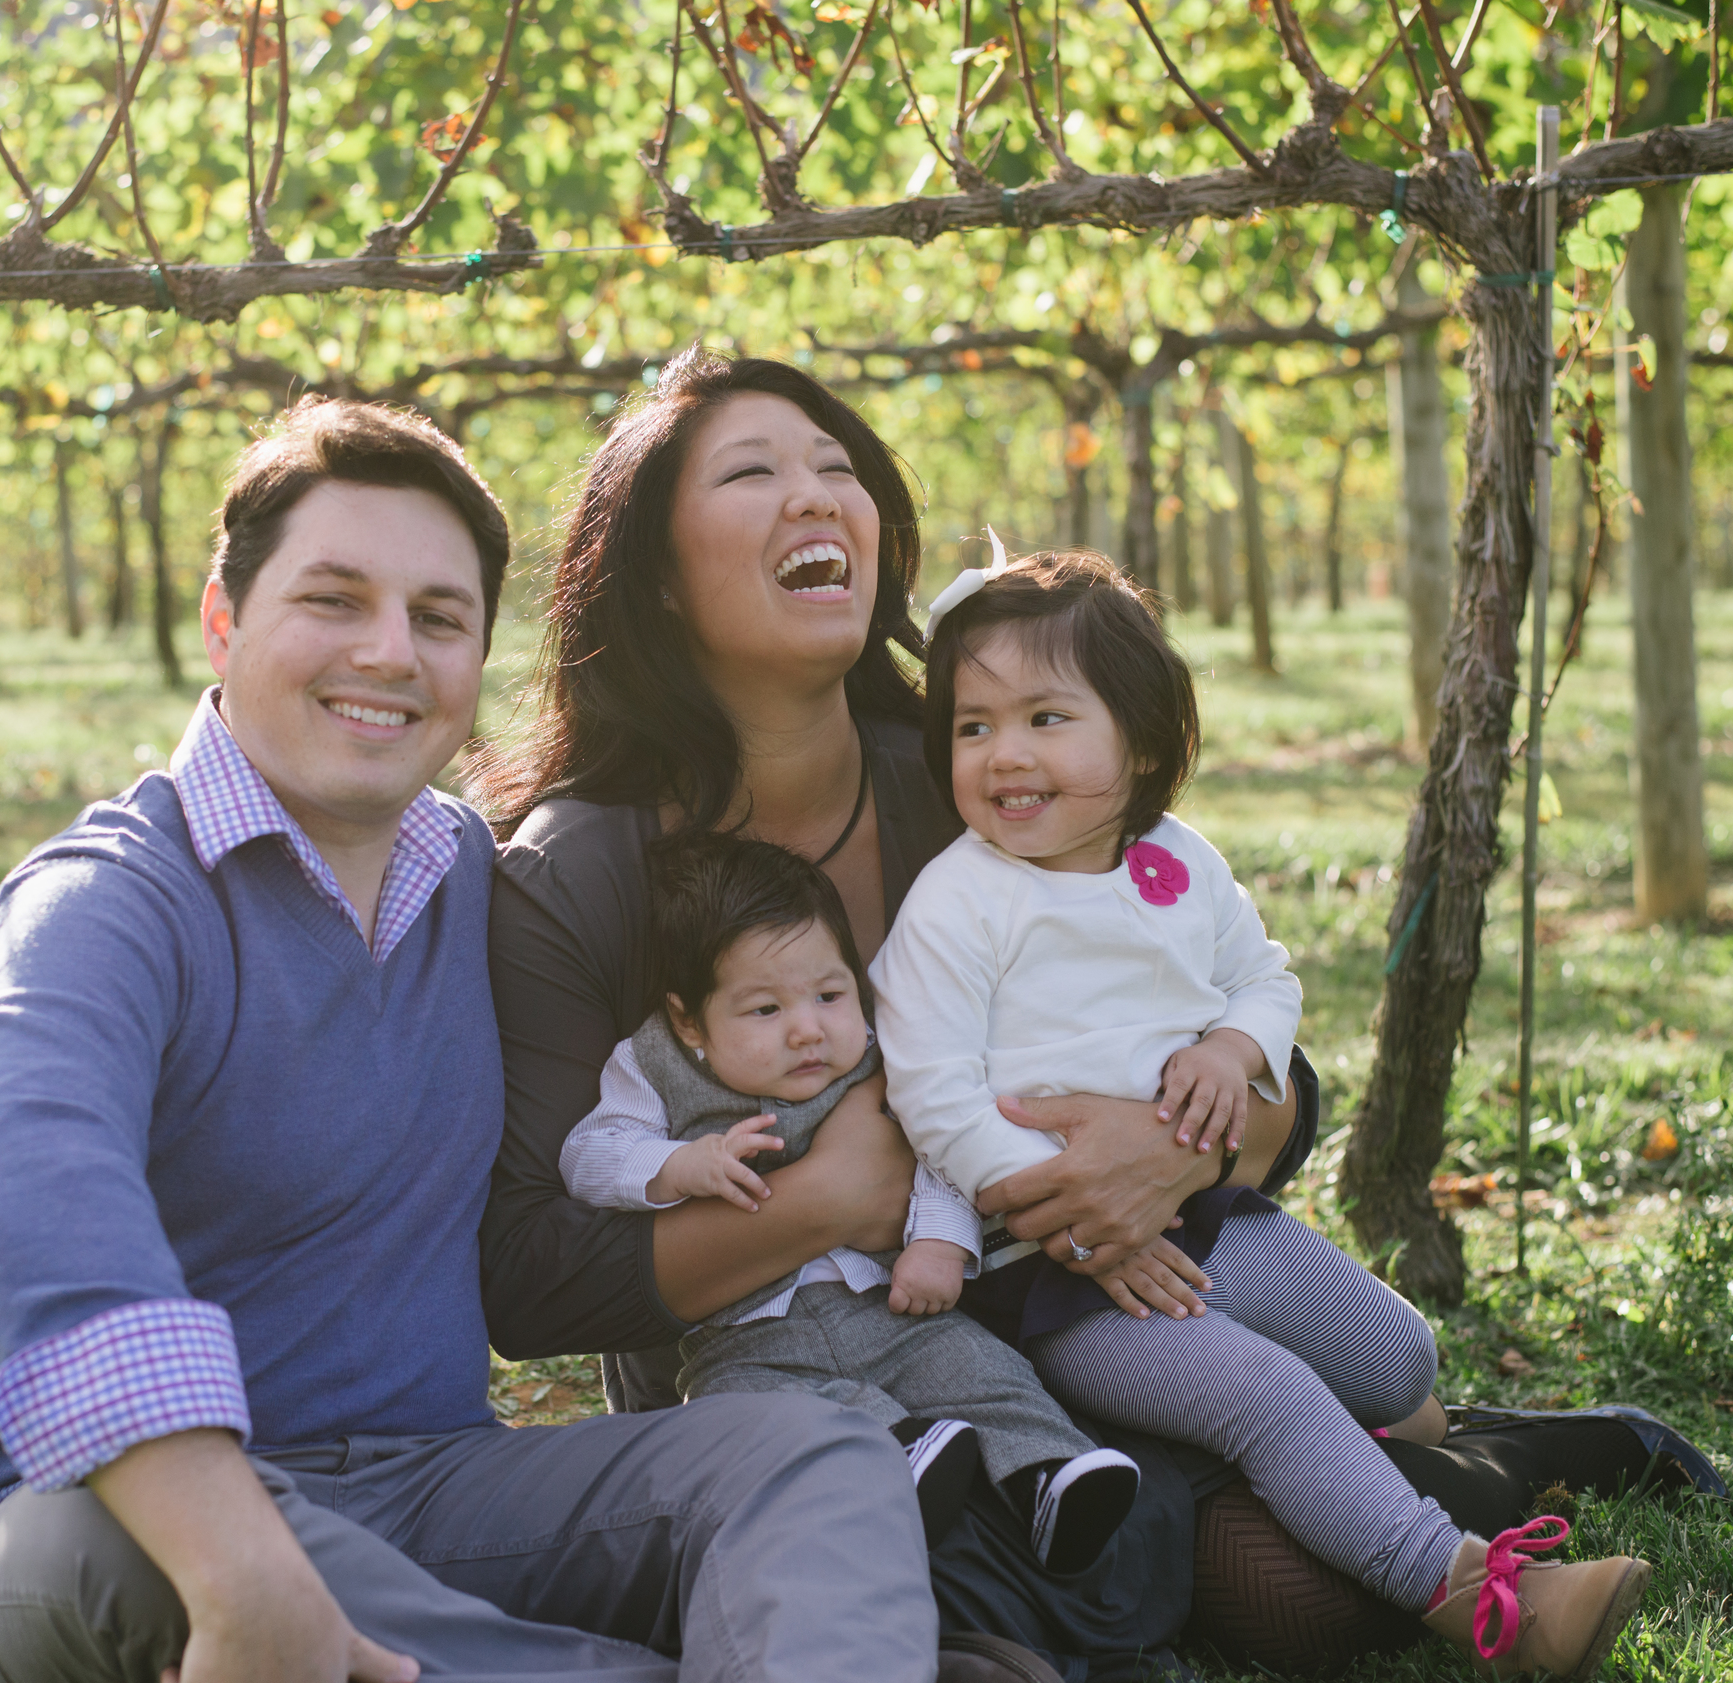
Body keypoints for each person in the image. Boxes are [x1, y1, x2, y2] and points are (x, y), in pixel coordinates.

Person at [0, 395, 968, 1683]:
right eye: (333, 601)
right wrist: (242, 1566)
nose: (390, 653)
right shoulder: (110, 899)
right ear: (222, 620)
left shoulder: (475, 875)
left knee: (810, 1451)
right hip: (103, 1522)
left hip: (437, 1488)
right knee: (197, 1558)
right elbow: (26, 1199)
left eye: (439, 618)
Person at [474, 349, 1317, 1681]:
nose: (818, 496)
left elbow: (1259, 1055)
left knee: (1303, 1584)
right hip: (766, 1393)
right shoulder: (577, 871)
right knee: (979, 1563)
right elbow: (527, 1275)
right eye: (754, 474)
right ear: (654, 575)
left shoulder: (972, 772)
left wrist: (1178, 1145)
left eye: (837, 468)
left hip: (1047, 1328)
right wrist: (828, 1196)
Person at [874, 545, 1654, 1679]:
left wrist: (1237, 1046)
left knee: (1397, 1359)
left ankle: (1385, 1449)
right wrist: (1070, 1218)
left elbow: (1267, 980)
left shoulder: (1178, 863)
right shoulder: (958, 902)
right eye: (973, 727)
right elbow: (932, 1092)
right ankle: (1492, 1601)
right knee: (1268, 1398)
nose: (1005, 756)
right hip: (1069, 1283)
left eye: (1045, 717)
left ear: (1141, 741)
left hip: (1210, 1216)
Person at [561, 827, 1141, 1568]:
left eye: (829, 994)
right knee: (737, 1410)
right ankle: (898, 1452)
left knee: (980, 1371)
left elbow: (940, 1144)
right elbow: (590, 1154)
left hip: (889, 1308)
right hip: (743, 1336)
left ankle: (1050, 1474)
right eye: (764, 1010)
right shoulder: (652, 1063)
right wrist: (679, 1163)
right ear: (687, 1018)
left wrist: (940, 1241)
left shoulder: (877, 1050)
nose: (808, 1029)